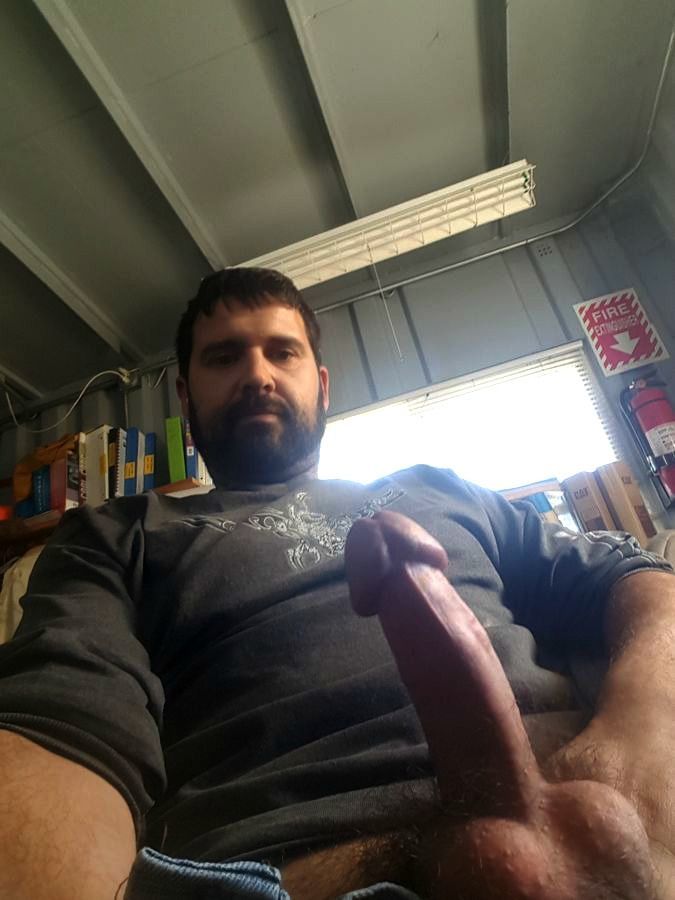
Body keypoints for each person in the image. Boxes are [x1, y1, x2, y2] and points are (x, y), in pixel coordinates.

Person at [0, 266, 672, 900]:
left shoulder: (439, 488)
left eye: (281, 352)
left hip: (613, 819)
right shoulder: (117, 535)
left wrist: (642, 740)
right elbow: (58, 730)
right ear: (184, 396)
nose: (256, 374)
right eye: (224, 357)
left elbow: (634, 577)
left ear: (321, 384)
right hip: (315, 874)